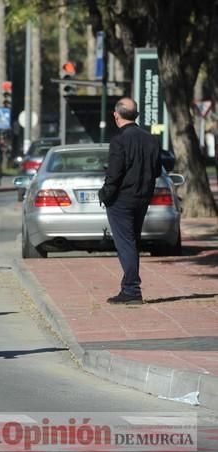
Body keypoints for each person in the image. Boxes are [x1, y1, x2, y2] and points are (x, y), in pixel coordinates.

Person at [98, 97, 161, 305]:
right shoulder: (151, 139)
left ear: (116, 115)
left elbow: (114, 175)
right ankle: (128, 286)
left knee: (125, 244)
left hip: (121, 200)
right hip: (142, 198)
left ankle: (132, 290)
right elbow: (158, 170)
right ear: (137, 116)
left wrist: (105, 194)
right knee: (132, 242)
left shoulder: (119, 141)